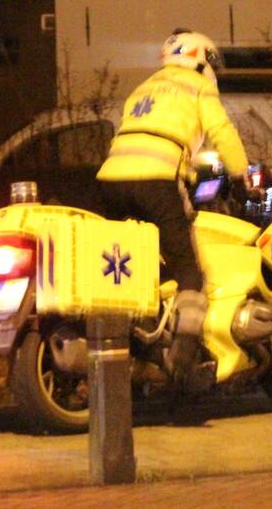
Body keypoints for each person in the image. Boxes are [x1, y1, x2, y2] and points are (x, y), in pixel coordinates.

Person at [97, 29, 250, 385]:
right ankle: (183, 360)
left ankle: (139, 335)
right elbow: (221, 131)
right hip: (157, 181)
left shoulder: (143, 88)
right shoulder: (197, 86)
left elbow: (143, 134)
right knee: (190, 272)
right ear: (202, 59)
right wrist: (242, 176)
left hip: (110, 183)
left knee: (129, 268)